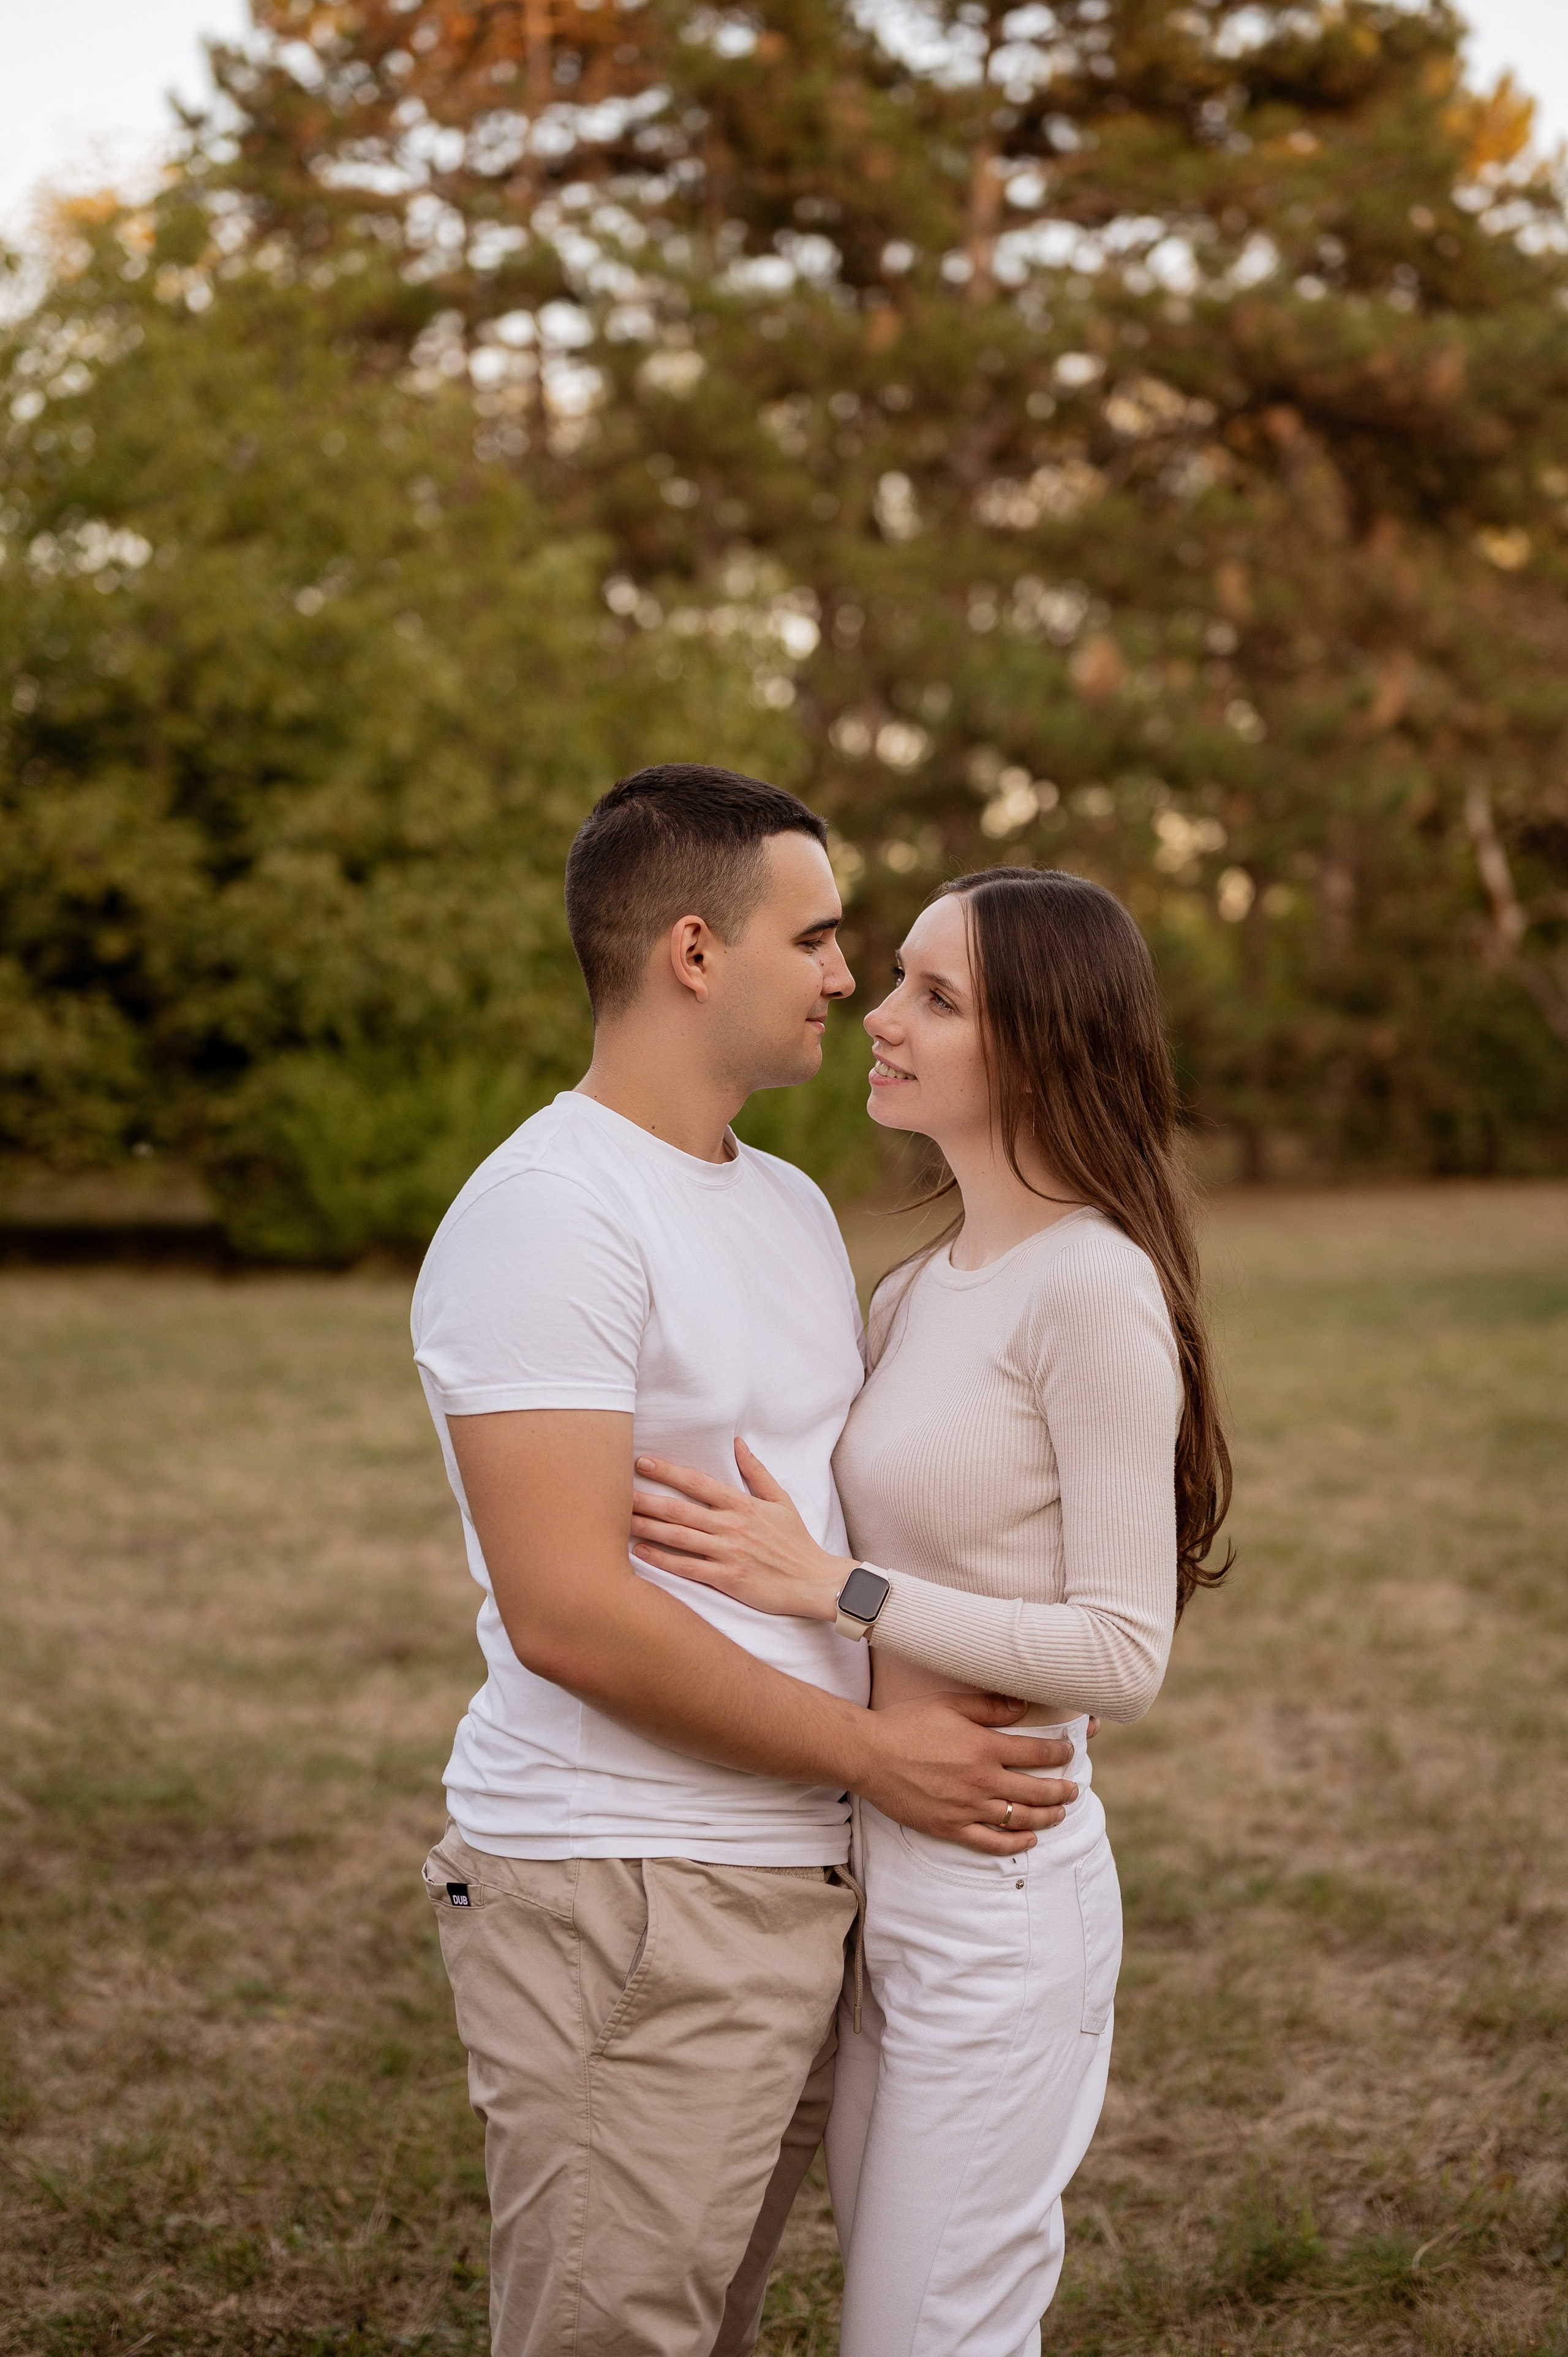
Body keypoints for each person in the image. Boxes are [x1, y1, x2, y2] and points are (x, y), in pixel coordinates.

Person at [409, 774, 1080, 2357]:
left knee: (709, 2322)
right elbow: (571, 1614)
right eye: (823, 937)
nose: (848, 981)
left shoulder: (778, 1202)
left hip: (802, 1874)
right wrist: (874, 1753)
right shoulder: (549, 1216)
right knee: (615, 2330)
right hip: (630, 1889)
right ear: (695, 952)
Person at [628, 865, 1234, 2357]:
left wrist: (830, 1586)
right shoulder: (919, 1289)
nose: (874, 1012)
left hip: (1001, 1892)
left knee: (927, 2335)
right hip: (874, 1869)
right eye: (892, 976)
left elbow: (1121, 1650)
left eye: (934, 996)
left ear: (1039, 1044)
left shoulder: (1090, 1285)